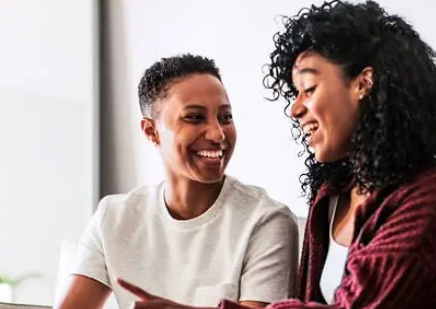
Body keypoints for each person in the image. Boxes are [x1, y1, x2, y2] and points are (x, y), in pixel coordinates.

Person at [117, 1, 436, 308]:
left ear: (363, 84)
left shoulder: (433, 198)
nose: (295, 109)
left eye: (308, 89)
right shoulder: (332, 196)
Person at [54, 54, 300, 309]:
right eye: (194, 117)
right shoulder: (113, 218)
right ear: (151, 131)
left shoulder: (267, 220)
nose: (217, 134)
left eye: (225, 117)